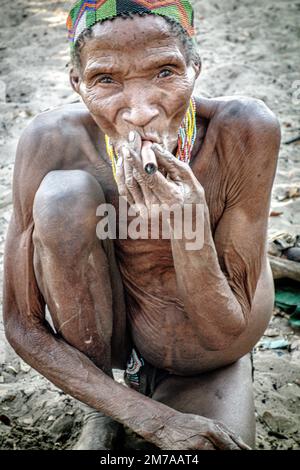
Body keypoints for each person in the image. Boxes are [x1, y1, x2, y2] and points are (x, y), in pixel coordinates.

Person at [3, 0, 281, 450]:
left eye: (165, 72)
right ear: (77, 82)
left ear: (195, 66)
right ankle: (103, 400)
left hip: (208, 354)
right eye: (106, 79)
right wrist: (148, 419)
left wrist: (186, 223)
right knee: (61, 197)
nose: (139, 111)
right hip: (107, 340)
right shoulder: (51, 142)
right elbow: (20, 324)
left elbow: (222, 330)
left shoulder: (242, 129)